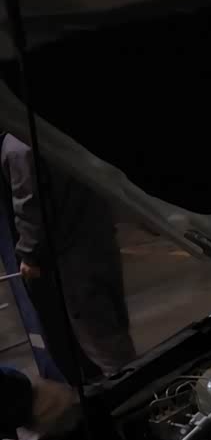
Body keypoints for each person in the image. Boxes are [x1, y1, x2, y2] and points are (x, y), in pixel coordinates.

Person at [0, 133, 136, 380]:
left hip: (72, 254)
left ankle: (132, 389)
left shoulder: (19, 147)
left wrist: (29, 255)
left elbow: (29, 204)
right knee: (114, 326)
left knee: (100, 339)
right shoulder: (52, 129)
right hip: (99, 237)